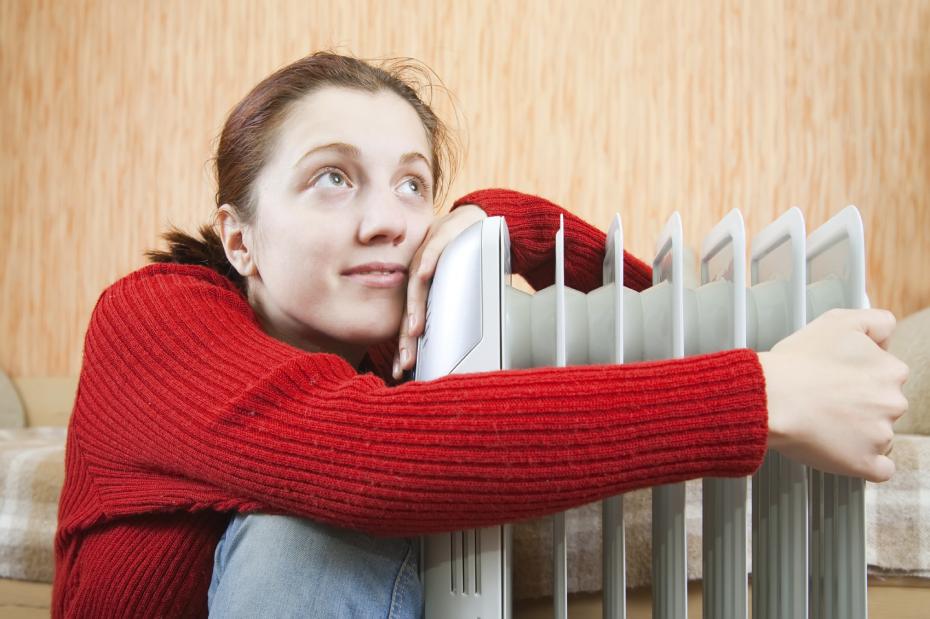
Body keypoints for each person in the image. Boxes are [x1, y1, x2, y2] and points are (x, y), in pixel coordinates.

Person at [53, 52, 909, 618]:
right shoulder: (153, 317)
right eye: (333, 178)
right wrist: (766, 393)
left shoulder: (406, 345)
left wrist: (495, 224)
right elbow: (368, 457)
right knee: (306, 529)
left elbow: (660, 310)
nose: (388, 220)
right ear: (241, 238)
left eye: (413, 184)